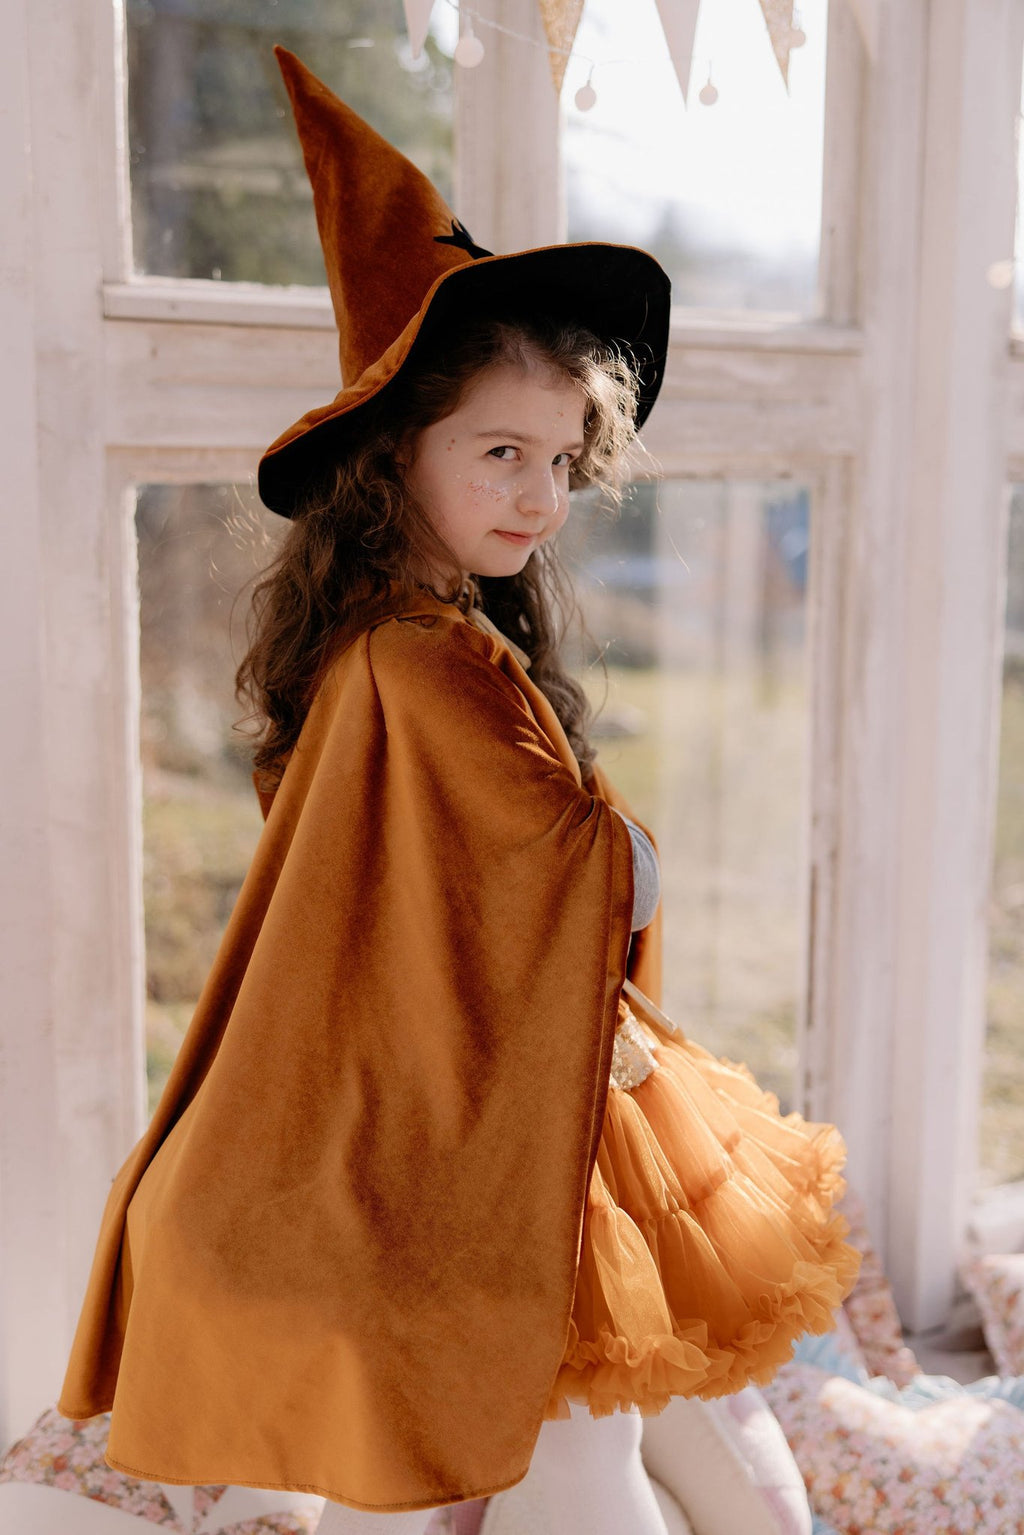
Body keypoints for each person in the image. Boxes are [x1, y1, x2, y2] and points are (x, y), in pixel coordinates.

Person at [57, 47, 859, 1535]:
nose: (537, 496)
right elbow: (552, 865)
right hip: (497, 1101)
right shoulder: (421, 666)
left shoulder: (418, 645)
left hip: (521, 1080)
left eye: (560, 461)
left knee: (608, 1414)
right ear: (393, 455)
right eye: (499, 453)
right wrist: (623, 849)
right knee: (576, 1430)